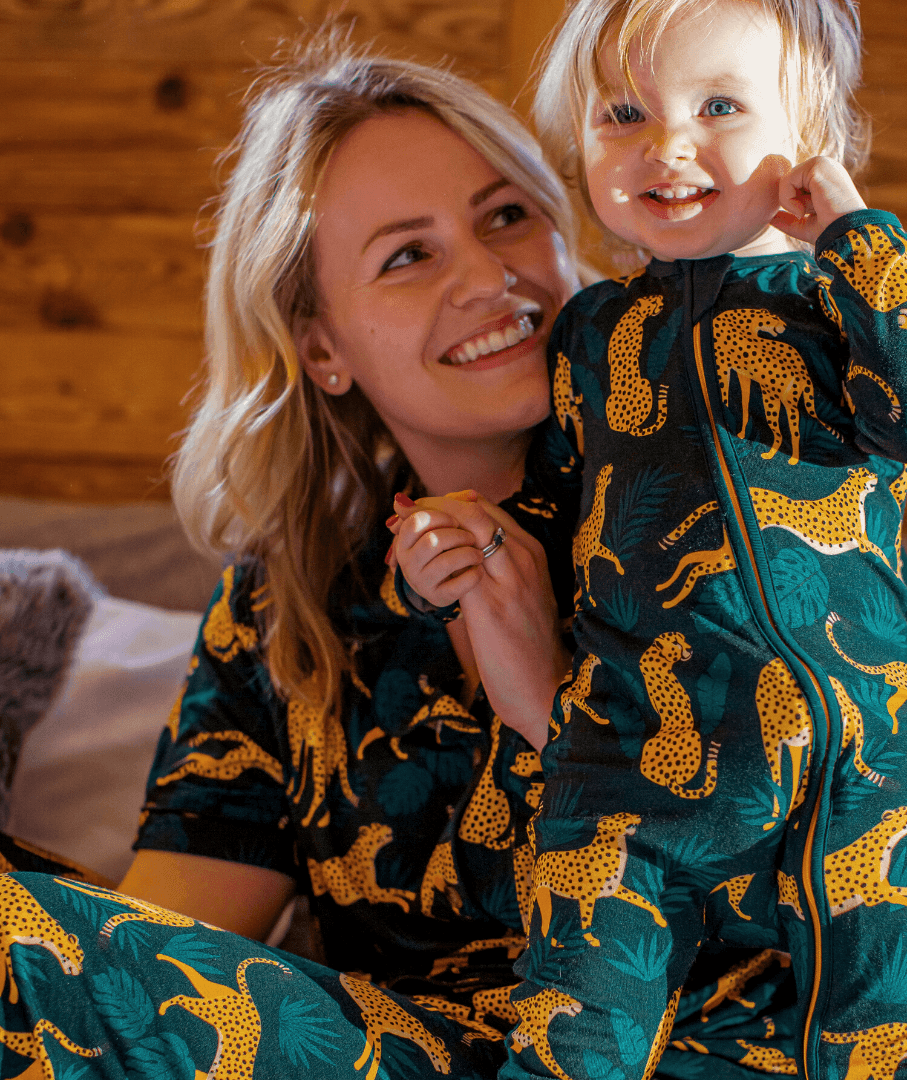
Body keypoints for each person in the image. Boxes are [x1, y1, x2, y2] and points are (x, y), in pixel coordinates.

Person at [397, 0, 907, 1076]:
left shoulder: (835, 304)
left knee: (883, 1045)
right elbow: (558, 518)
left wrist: (860, 242)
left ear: (808, 137)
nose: (666, 146)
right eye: (623, 115)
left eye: (718, 108)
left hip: (861, 760)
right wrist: (448, 565)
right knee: (571, 1039)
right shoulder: (593, 333)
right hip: (632, 768)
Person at [0, 37, 585, 1080]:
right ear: (321, 348)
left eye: (506, 215)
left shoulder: (706, 515)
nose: (491, 277)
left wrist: (553, 695)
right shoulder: (290, 600)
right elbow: (160, 958)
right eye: (408, 256)